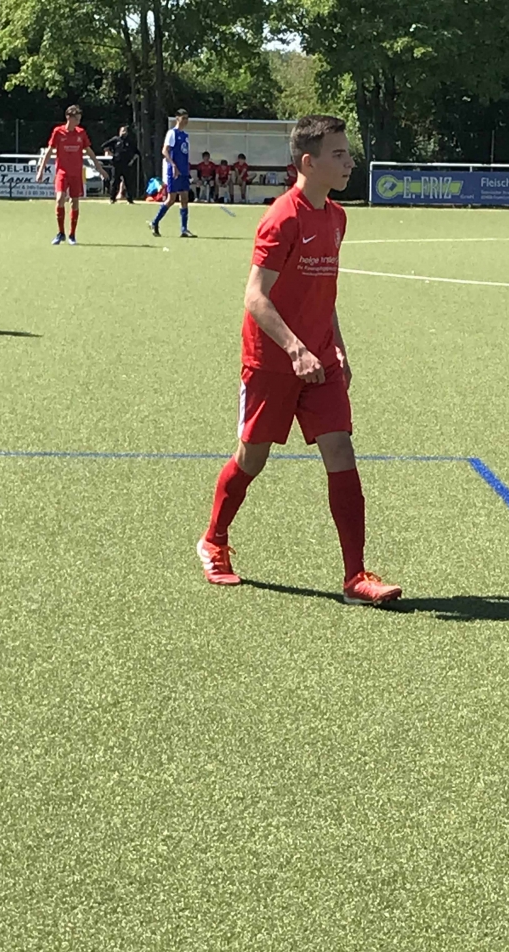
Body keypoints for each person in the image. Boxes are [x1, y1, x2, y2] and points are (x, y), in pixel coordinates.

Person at [197, 114, 402, 605]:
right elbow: (255, 296)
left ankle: (355, 577)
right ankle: (213, 540)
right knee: (253, 457)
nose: (349, 162)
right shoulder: (282, 218)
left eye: (348, 153)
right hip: (273, 360)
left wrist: (337, 347)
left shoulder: (337, 217)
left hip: (320, 361)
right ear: (308, 162)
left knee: (341, 451)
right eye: (339, 154)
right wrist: (295, 349)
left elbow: (323, 294)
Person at [35, 104, 108, 245]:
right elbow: (49, 151)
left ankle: (72, 235)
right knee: (60, 199)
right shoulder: (58, 132)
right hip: (62, 172)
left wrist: (100, 168)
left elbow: (89, 152)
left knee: (74, 202)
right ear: (69, 117)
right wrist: (41, 170)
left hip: (76, 173)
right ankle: (60, 233)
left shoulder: (81, 133)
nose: (78, 122)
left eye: (79, 119)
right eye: (76, 119)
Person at [148, 109, 195, 238]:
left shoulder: (185, 136)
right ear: (177, 118)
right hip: (174, 171)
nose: (185, 121)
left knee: (184, 198)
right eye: (183, 118)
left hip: (183, 171)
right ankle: (154, 222)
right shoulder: (172, 133)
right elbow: (165, 151)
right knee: (171, 199)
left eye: (187, 118)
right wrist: (173, 165)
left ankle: (184, 229)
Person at [101, 124, 141, 204]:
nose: (124, 132)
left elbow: (137, 153)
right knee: (114, 181)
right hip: (116, 164)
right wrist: (109, 152)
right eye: (122, 131)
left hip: (127, 165)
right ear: (119, 132)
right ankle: (112, 198)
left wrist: (132, 161)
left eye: (125, 131)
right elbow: (104, 146)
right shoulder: (115, 139)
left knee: (128, 182)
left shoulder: (130, 141)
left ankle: (130, 200)